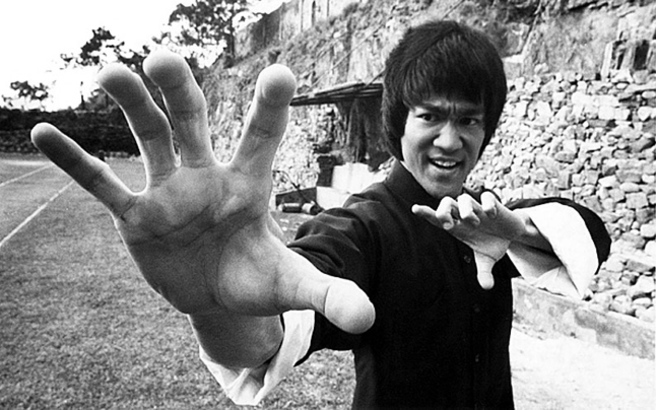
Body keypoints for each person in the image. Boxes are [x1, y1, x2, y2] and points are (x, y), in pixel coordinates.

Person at [31, 20, 610, 409]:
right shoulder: (365, 225)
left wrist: (516, 230)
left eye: (469, 120)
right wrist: (214, 306)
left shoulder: (487, 218)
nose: (450, 140)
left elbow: (589, 234)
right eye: (430, 116)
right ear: (397, 122)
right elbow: (274, 330)